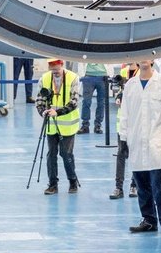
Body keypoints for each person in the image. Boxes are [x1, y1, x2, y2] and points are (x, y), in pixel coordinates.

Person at [118, 58, 161, 238]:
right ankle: (148, 220)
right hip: (136, 141)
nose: (144, 59)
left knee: (159, 185)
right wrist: (123, 139)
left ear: (152, 59)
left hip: (156, 142)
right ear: (137, 60)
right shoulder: (130, 85)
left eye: (147, 56)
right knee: (141, 185)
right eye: (141, 56)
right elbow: (125, 114)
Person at [38, 57, 81, 195]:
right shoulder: (44, 78)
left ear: (62, 64)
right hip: (51, 125)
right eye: (52, 70)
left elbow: (74, 102)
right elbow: (40, 99)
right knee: (51, 155)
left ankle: (72, 181)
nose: (54, 72)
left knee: (66, 154)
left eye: (56, 70)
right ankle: (52, 184)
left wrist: (58, 112)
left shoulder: (73, 78)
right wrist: (42, 111)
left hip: (68, 125)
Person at [110, 62, 139, 200]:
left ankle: (134, 185)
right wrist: (118, 97)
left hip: (137, 121)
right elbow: (118, 91)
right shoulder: (123, 72)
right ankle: (118, 187)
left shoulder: (142, 74)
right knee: (121, 154)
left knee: (135, 154)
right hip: (122, 122)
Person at [79, 61, 109, 135]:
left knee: (101, 103)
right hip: (88, 76)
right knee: (86, 101)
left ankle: (98, 126)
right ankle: (85, 126)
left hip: (103, 77)